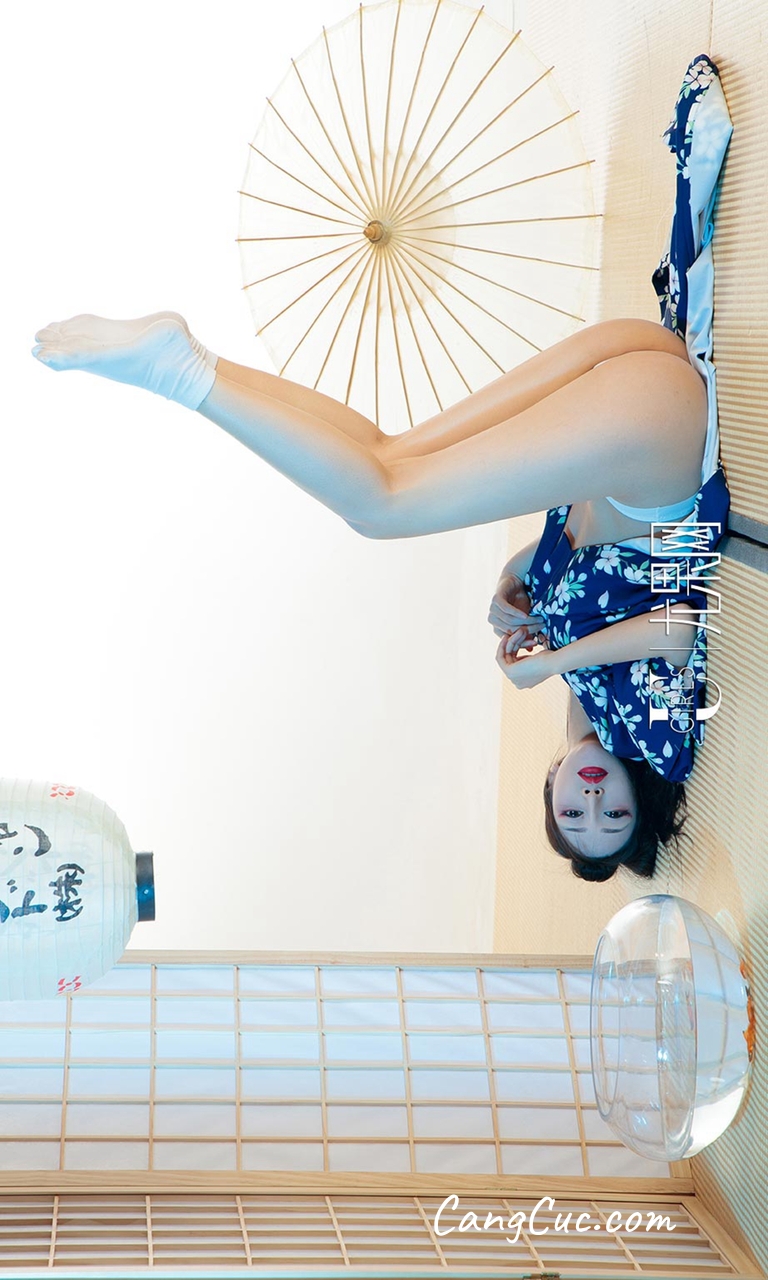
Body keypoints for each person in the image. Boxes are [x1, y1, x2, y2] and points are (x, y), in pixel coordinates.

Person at [31, 57, 732, 882]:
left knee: (391, 453)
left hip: (633, 374)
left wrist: (516, 580)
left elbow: (598, 557)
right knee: (382, 506)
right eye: (615, 816)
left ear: (549, 785)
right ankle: (182, 376)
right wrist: (552, 660)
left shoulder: (579, 677)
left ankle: (194, 358)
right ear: (639, 799)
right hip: (653, 429)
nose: (593, 801)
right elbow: (679, 626)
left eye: (573, 815)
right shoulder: (655, 742)